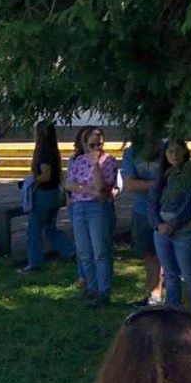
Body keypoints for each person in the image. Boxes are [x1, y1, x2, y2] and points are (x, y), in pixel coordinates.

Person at [147, 138, 191, 317]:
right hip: (162, 230)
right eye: (170, 152)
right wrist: (157, 224)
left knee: (190, 274)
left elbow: (190, 203)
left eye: (178, 151)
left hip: (184, 230)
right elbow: (152, 202)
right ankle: (172, 311)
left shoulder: (190, 175)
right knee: (170, 274)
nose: (174, 155)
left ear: (185, 153)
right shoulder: (163, 175)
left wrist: (174, 224)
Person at [65, 125, 117, 304]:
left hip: (97, 208)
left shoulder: (109, 160)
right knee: (84, 252)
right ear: (85, 143)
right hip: (79, 208)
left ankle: (104, 291)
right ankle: (91, 288)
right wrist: (88, 190)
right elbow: (69, 185)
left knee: (100, 251)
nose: (96, 146)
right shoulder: (78, 160)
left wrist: (96, 165)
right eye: (92, 143)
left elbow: (102, 187)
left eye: (99, 142)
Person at [20, 121, 71, 272]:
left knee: (34, 230)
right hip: (54, 193)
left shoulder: (43, 152)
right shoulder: (54, 151)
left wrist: (31, 182)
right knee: (50, 228)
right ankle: (69, 251)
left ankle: (34, 263)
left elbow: (46, 175)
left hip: (44, 194)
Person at [119, 134, 164, 306]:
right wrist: (159, 183)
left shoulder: (168, 149)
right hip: (142, 210)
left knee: (172, 254)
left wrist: (144, 184)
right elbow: (130, 185)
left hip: (166, 209)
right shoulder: (132, 153)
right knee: (149, 254)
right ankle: (155, 294)